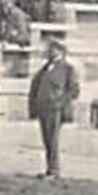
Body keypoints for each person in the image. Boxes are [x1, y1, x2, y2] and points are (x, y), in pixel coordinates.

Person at [28, 36, 80, 179]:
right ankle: (49, 169)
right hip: (43, 107)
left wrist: (60, 103)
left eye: (55, 49)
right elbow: (35, 87)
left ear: (61, 51)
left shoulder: (67, 69)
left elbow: (73, 90)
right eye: (50, 49)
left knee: (52, 139)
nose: (51, 52)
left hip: (55, 109)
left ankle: (54, 170)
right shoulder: (44, 69)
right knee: (46, 139)